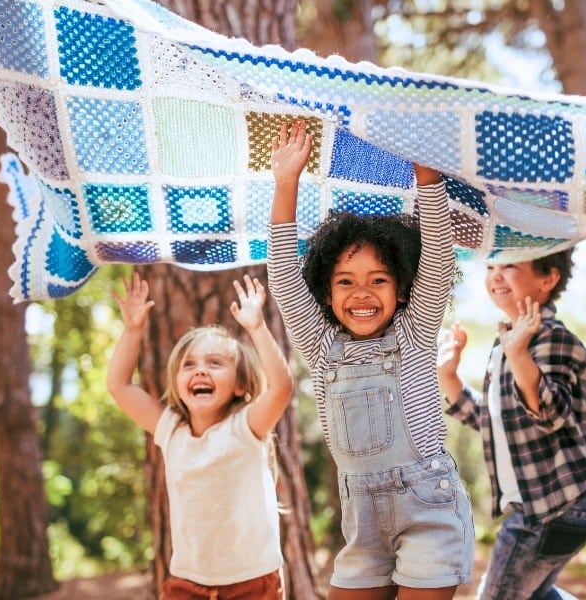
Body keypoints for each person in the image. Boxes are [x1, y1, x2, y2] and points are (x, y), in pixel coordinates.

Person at [266, 120, 473, 599]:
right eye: (345, 281)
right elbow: (281, 275)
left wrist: (427, 174)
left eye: (378, 280)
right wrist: (286, 183)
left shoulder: (416, 332)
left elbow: (438, 256)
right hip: (359, 522)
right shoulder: (320, 347)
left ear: (401, 290)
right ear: (325, 291)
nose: (361, 292)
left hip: (429, 510)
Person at [438, 251, 586, 600]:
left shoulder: (551, 337)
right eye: (491, 267)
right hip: (548, 505)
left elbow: (549, 414)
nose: (496, 276)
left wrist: (519, 353)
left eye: (510, 266)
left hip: (557, 504)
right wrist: (449, 375)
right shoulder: (507, 343)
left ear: (548, 278)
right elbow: (492, 421)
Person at [107, 272, 293, 600]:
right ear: (178, 381)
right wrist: (133, 329)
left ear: (239, 384)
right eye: (188, 365)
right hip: (186, 583)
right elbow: (119, 386)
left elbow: (281, 388)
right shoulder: (172, 431)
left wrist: (257, 327)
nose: (200, 370)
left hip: (252, 582)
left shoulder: (245, 428)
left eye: (215, 362)